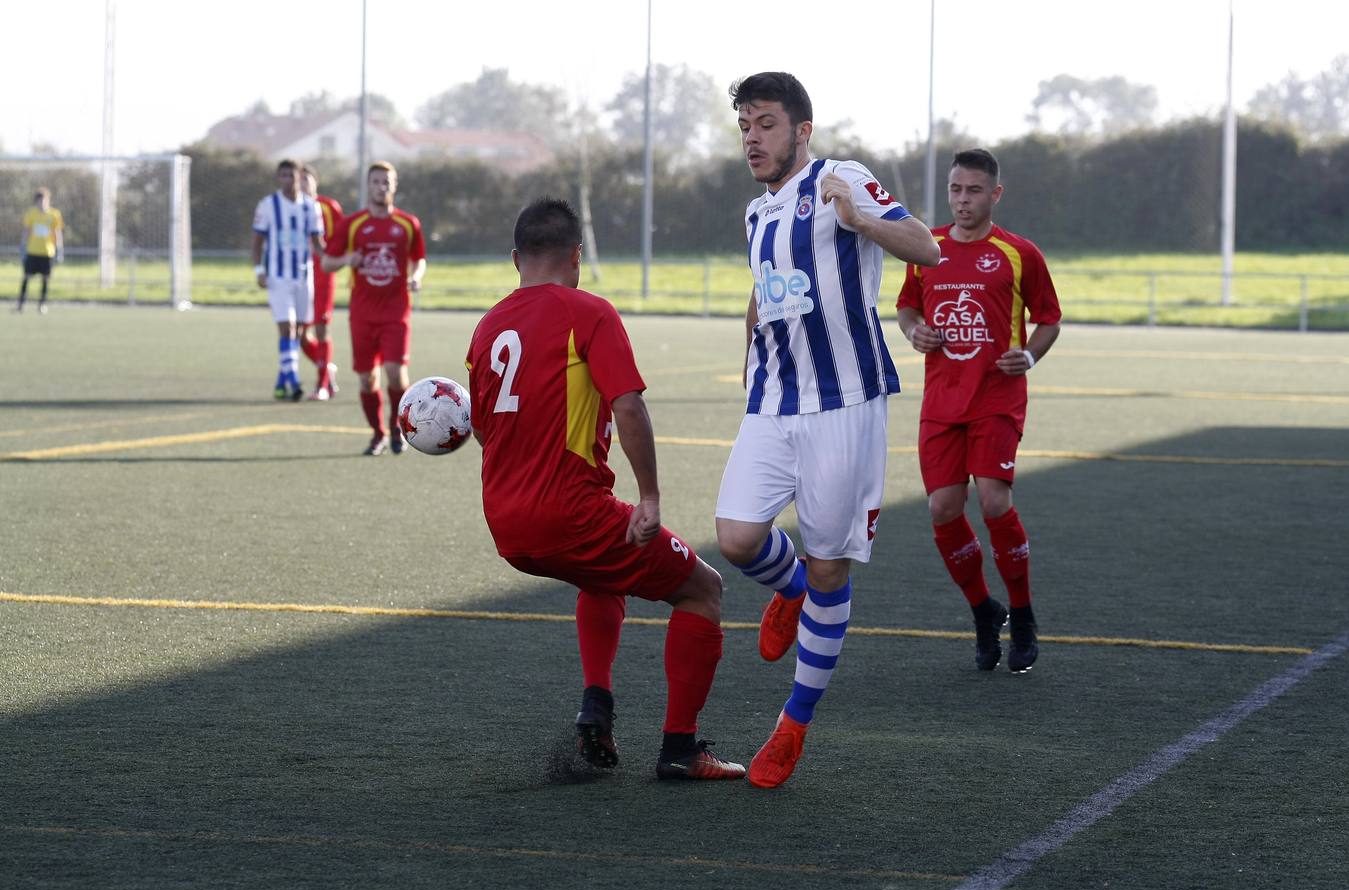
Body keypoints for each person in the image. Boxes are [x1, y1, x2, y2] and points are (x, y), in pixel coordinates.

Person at [465, 197, 745, 782]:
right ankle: (680, 748)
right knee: (703, 590)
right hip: (569, 514)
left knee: (601, 576)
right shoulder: (589, 312)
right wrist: (649, 497)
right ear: (577, 256)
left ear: (516, 260)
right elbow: (629, 406)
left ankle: (597, 705)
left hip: (504, 524)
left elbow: (484, 433)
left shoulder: (487, 325)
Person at [715, 72, 940, 789]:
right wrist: (747, 361)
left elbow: (926, 246)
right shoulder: (756, 215)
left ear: (802, 131)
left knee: (830, 567)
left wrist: (863, 220)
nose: (753, 136)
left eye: (767, 123)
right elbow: (764, 295)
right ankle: (788, 593)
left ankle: (792, 726)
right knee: (737, 537)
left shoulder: (841, 178)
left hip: (845, 404)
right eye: (746, 124)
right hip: (773, 402)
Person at [896, 148, 1062, 674]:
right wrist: (913, 330)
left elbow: (1049, 318)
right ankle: (983, 614)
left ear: (995, 194)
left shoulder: (1018, 253)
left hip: (996, 398)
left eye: (973, 190)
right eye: (955, 190)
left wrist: (1030, 354)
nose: (963, 200)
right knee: (943, 510)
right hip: (941, 403)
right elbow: (906, 307)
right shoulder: (928, 247)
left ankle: (1024, 614)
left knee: (992, 499)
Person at [321, 161, 426, 455]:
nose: (381, 187)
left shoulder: (408, 224)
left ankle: (397, 428)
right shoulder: (352, 224)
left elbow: (419, 258)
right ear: (368, 186)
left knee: (395, 373)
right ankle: (377, 433)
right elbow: (327, 262)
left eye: (386, 182)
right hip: (363, 314)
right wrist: (347, 260)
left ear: (394, 186)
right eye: (376, 181)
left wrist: (416, 276)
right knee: (367, 379)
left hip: (395, 312)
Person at [251, 159, 326, 401]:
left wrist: (332, 258)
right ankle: (293, 380)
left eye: (290, 175)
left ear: (298, 177)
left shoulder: (311, 207)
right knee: (287, 327)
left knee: (300, 331)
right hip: (278, 276)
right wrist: (259, 270)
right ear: (278, 178)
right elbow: (257, 241)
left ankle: (281, 382)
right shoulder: (268, 205)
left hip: (304, 276)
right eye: (282, 175)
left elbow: (317, 242)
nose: (286, 180)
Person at [299, 165, 343, 401]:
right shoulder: (291, 208)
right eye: (299, 180)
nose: (302, 184)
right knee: (299, 334)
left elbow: (340, 238)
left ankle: (322, 385)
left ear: (315, 182)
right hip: (297, 276)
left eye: (306, 180)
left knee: (321, 328)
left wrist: (332, 258)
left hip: (322, 276)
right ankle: (327, 368)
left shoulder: (328, 207)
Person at [17, 188, 64, 314]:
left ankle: (42, 304)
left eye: (44, 200)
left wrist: (59, 248)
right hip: (32, 251)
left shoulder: (54, 214)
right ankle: (21, 303)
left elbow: (57, 232)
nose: (42, 202)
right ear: (36, 201)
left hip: (47, 252)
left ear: (48, 200)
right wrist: (23, 246)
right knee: (26, 277)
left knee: (45, 279)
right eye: (39, 200)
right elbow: (26, 231)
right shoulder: (31, 214)